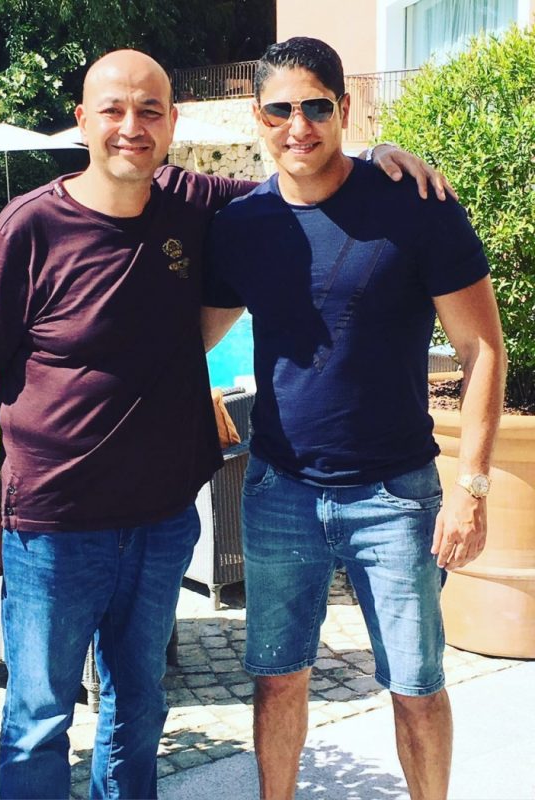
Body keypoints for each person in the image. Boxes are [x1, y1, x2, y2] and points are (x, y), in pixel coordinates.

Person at [0, 47, 456, 800]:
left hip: (160, 522)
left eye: (149, 110)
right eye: (113, 111)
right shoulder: (29, 227)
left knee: (137, 705)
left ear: (172, 123)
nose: (131, 126)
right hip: (53, 525)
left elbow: (304, 174)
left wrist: (378, 153)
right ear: (83, 121)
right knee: (38, 717)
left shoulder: (193, 200)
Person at [202, 37, 506, 800]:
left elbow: (483, 350)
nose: (298, 125)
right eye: (280, 109)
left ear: (344, 107)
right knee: (277, 679)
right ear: (257, 117)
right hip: (279, 492)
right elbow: (191, 337)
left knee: (416, 686)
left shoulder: (416, 205)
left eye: (315, 106)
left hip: (396, 497)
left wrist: (471, 487)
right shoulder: (243, 223)